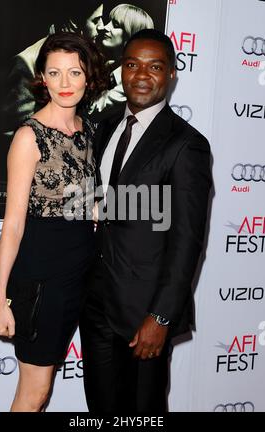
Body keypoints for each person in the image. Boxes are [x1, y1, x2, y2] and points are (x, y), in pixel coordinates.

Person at [79, 29, 212, 412]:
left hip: (145, 314)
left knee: (143, 411)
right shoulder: (104, 127)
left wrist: (161, 316)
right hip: (95, 304)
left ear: (171, 74)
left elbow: (188, 241)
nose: (141, 75)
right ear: (121, 69)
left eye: (155, 66)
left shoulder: (186, 144)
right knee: (102, 408)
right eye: (132, 64)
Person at [0, 32, 108, 412]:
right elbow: (13, 225)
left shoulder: (88, 131)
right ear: (42, 77)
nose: (65, 83)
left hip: (81, 271)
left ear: (89, 77)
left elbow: (90, 208)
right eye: (54, 73)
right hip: (42, 273)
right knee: (35, 392)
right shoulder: (29, 136)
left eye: (74, 72)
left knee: (44, 390)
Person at [4, 2, 104, 135]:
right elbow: (14, 129)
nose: (102, 26)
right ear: (74, 24)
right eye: (96, 20)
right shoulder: (27, 61)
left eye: (75, 73)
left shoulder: (90, 57)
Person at [89, 3, 154, 118]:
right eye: (108, 21)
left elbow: (92, 110)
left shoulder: (130, 82)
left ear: (131, 37)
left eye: (115, 25)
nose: (105, 27)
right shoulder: (109, 66)